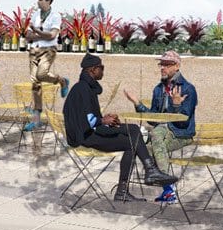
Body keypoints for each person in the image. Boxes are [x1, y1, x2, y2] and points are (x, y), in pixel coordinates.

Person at [62, 54, 176, 202]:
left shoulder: (85, 87)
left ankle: (136, 181)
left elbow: (88, 116)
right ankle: (149, 171)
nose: (103, 71)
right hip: (86, 137)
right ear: (92, 70)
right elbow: (85, 121)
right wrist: (102, 120)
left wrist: (106, 120)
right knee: (133, 134)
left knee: (133, 136)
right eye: (101, 68)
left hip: (92, 132)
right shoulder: (82, 89)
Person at [122, 50, 196, 204]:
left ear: (177, 66)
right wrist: (137, 103)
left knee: (155, 135)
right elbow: (153, 119)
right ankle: (123, 190)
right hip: (160, 134)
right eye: (161, 64)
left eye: (167, 64)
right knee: (135, 146)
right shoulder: (158, 89)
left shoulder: (188, 89)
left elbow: (183, 122)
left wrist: (176, 106)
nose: (162, 67)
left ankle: (168, 188)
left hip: (180, 134)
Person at [22, 0, 67, 131]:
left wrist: (37, 32)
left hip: (48, 50)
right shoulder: (35, 15)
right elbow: (28, 35)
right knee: (35, 84)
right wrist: (40, 34)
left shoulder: (55, 16)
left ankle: (62, 81)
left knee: (41, 74)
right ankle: (36, 121)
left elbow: (52, 36)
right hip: (34, 50)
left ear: (48, 1)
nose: (38, 1)